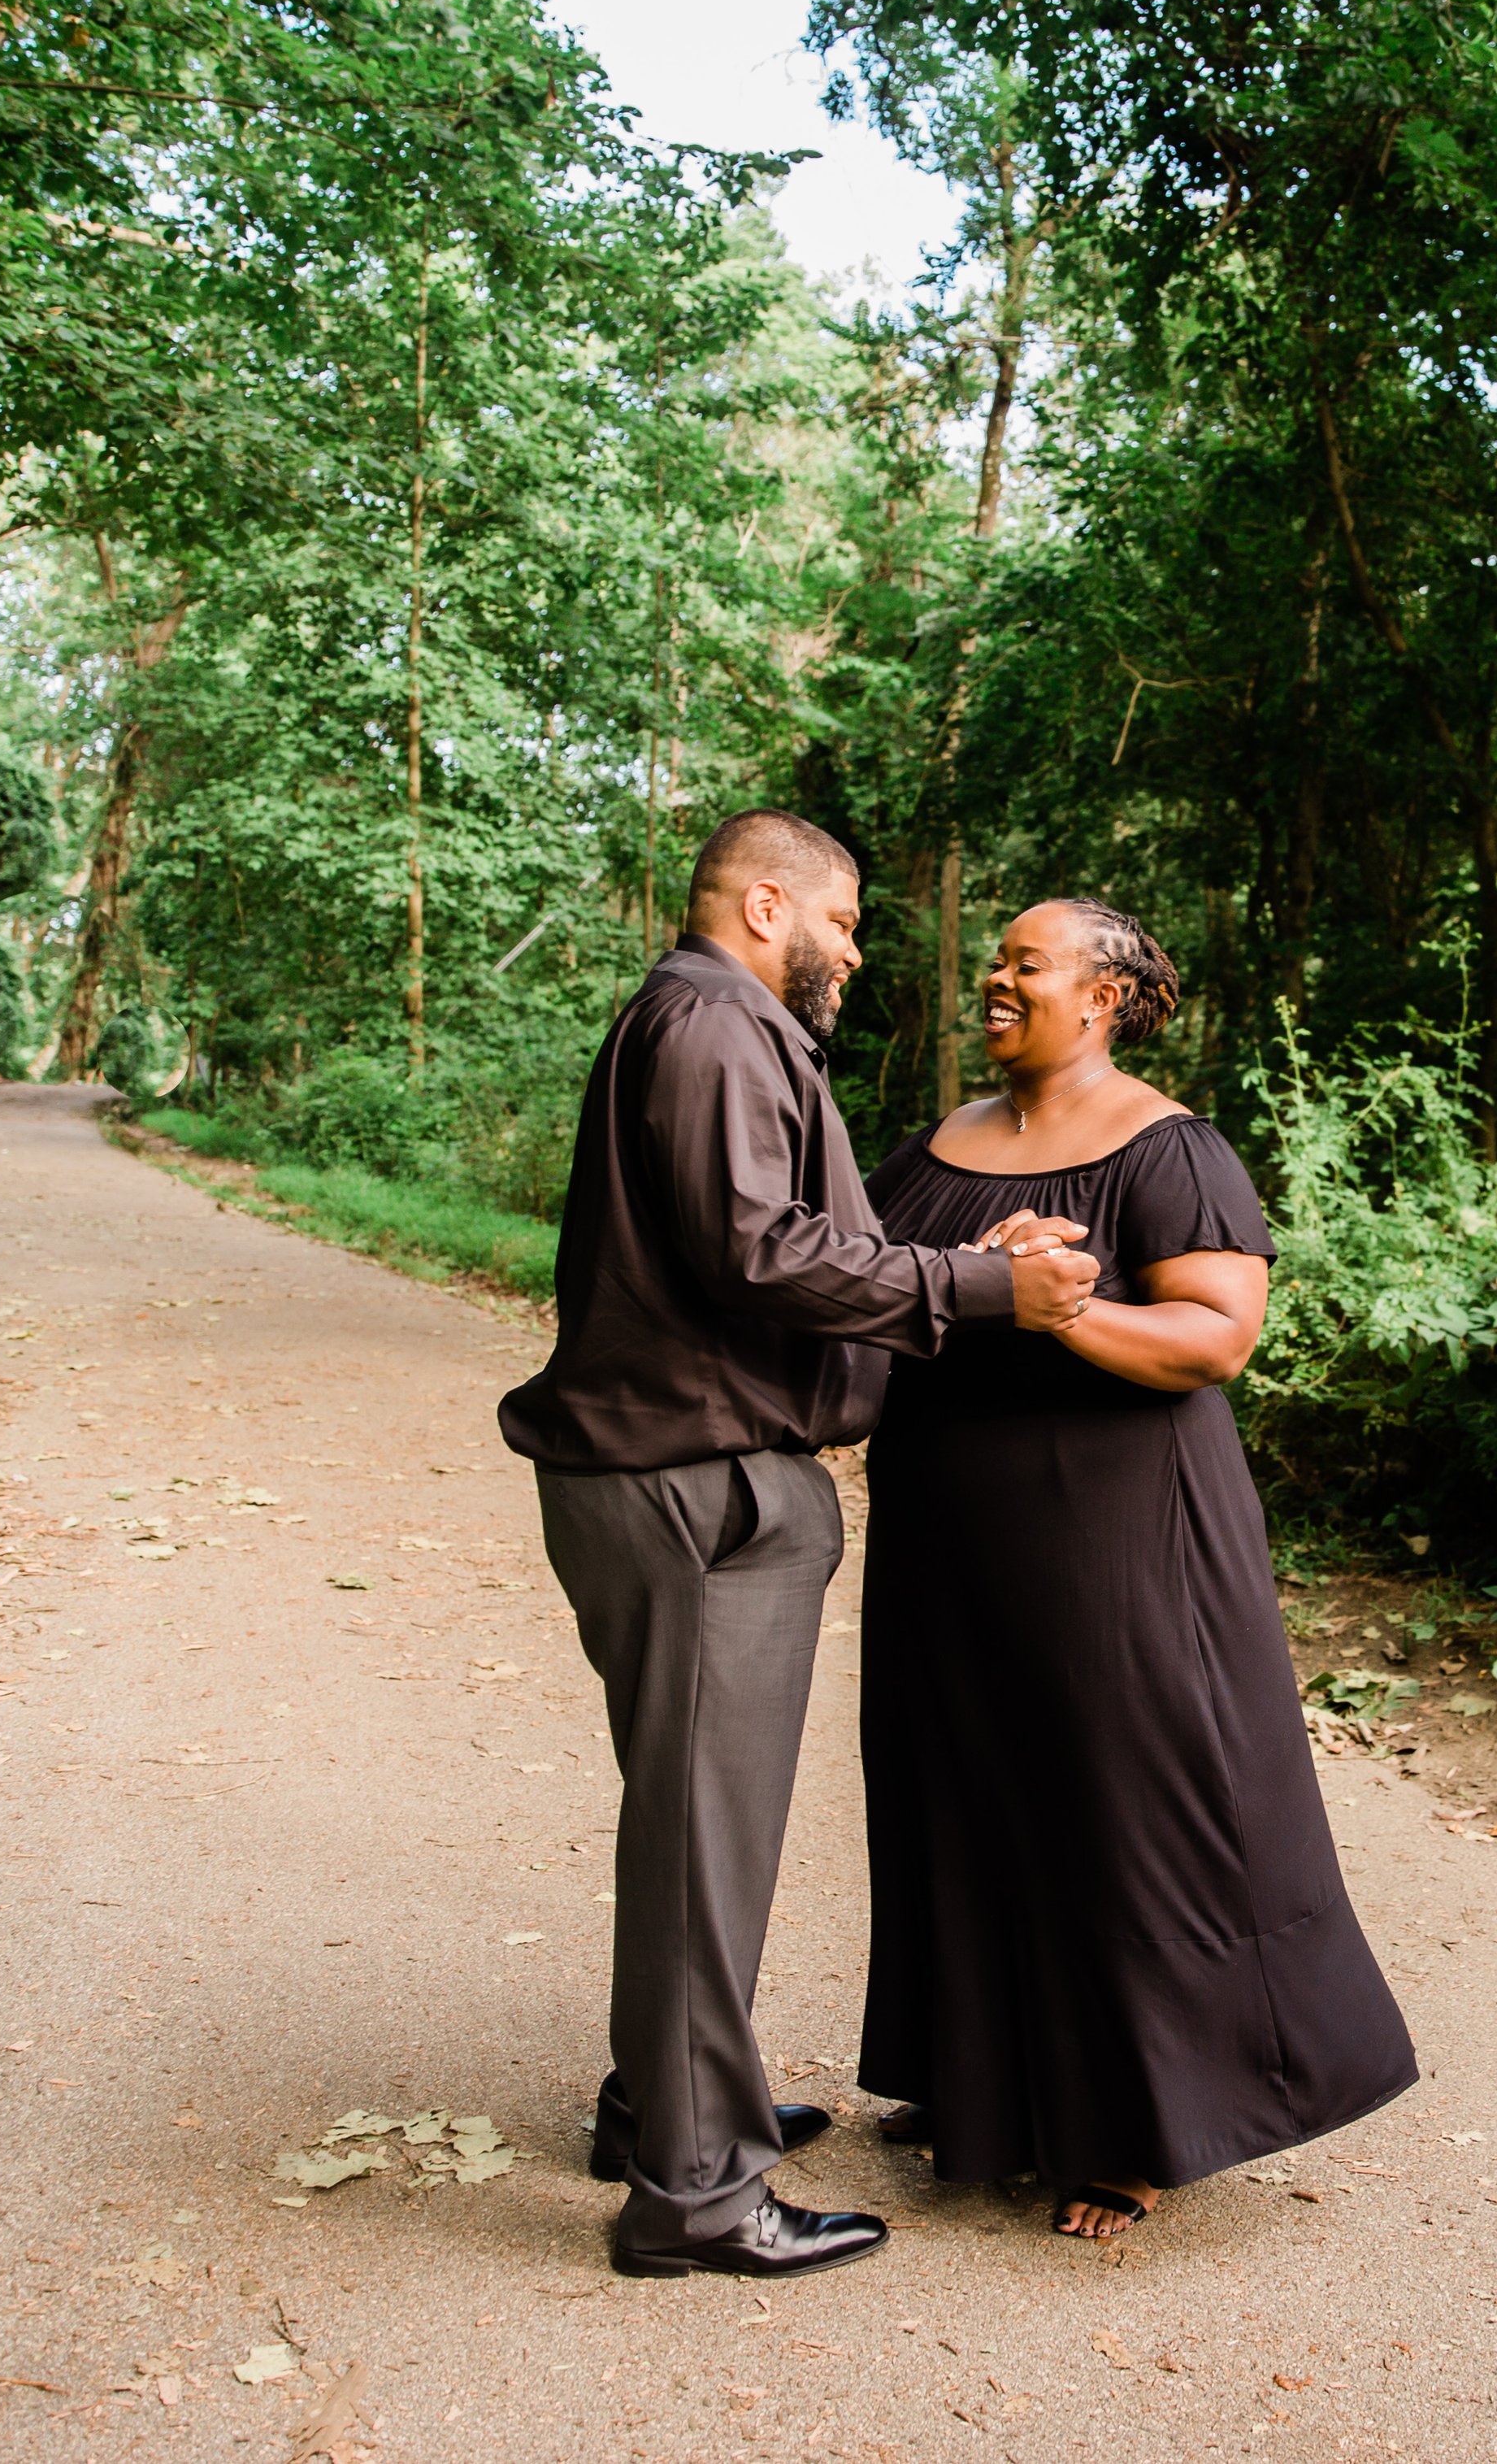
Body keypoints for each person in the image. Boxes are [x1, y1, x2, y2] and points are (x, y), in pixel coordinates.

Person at [497, 811, 1100, 2279]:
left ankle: (663, 2106)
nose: (853, 951)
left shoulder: (713, 1023)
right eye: (841, 924)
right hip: (693, 1482)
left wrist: (950, 1270)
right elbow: (757, 1250)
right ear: (771, 904)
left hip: (688, 1471)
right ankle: (696, 2197)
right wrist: (980, 1287)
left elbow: (779, 1235)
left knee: (698, 1824)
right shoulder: (714, 1025)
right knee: (707, 1836)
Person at [857, 897, 1417, 2239]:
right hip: (945, 1541)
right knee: (960, 1791)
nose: (997, 977)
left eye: (1027, 964)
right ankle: (975, 2085)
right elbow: (868, 1288)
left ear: (1102, 997)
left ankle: (1136, 2126)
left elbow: (1218, 1338)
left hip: (1117, 1543)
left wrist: (1058, 1305)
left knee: (1115, 1804)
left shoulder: (1170, 1147)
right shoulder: (937, 1147)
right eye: (995, 959)